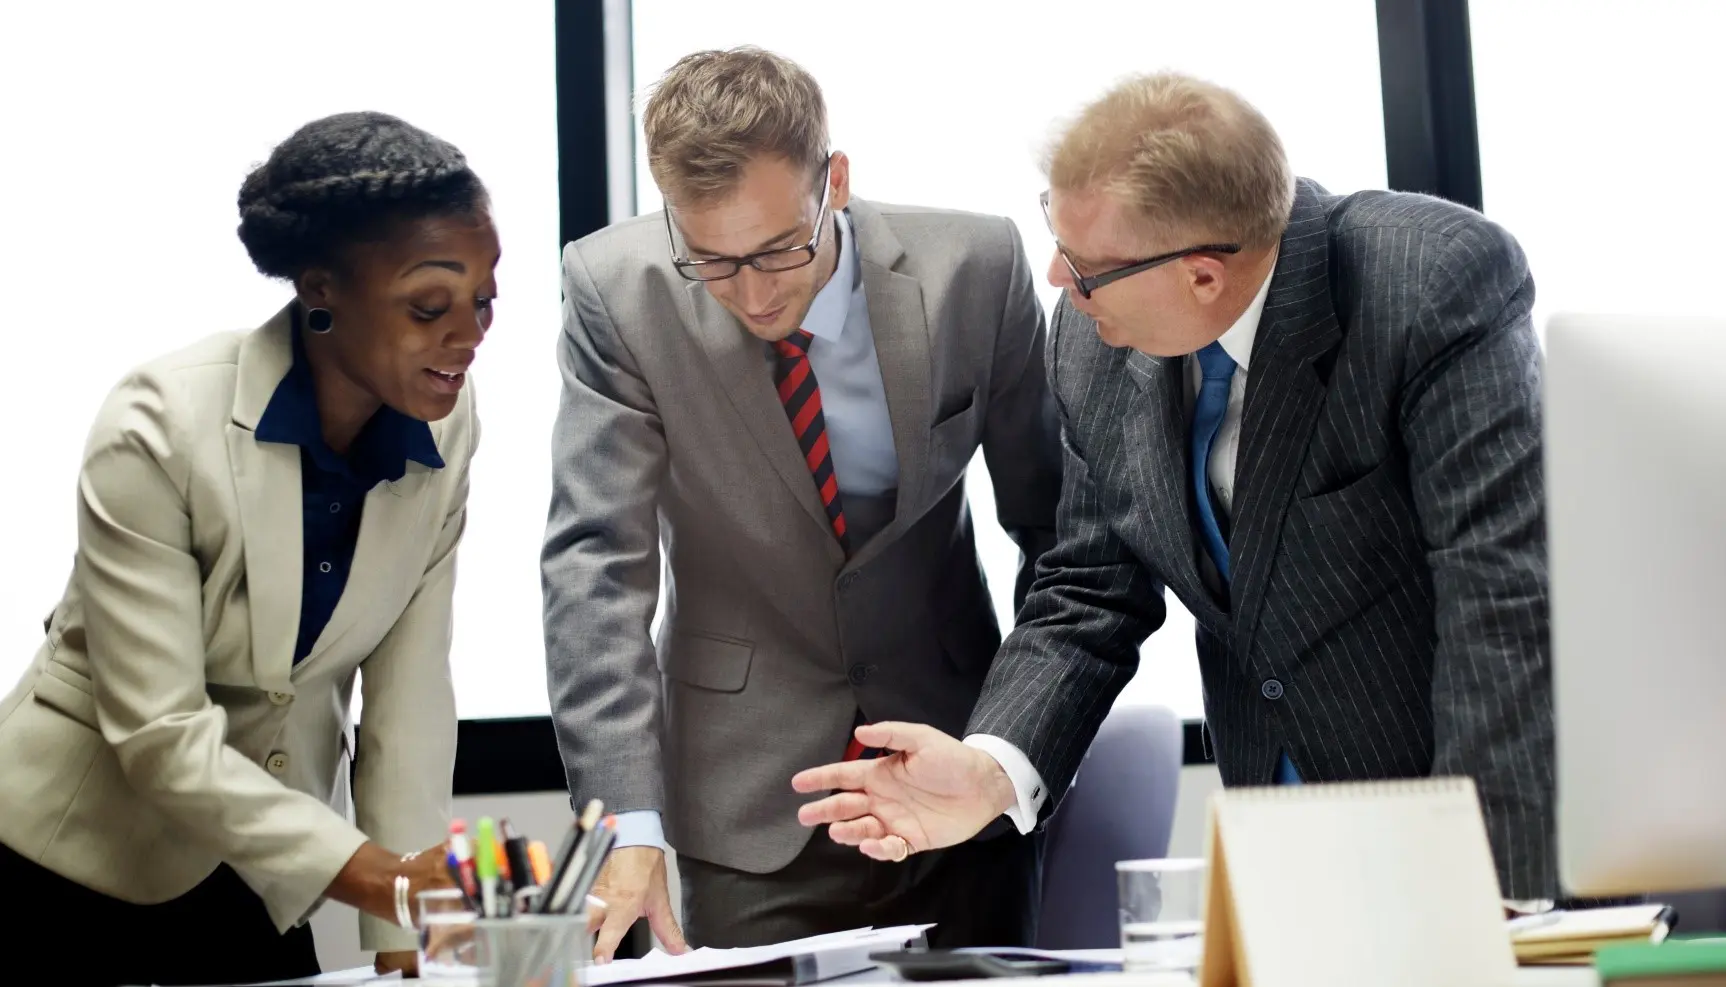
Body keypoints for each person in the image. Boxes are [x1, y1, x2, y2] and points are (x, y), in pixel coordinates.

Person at [794, 71, 1560, 906]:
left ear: (1202, 275)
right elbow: (1088, 590)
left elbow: (1502, 598)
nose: (1055, 277)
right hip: (1284, 843)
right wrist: (990, 768)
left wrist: (1499, 903)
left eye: (1085, 265)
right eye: (1056, 229)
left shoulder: (1429, 282)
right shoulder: (1095, 340)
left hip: (1467, 821)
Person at [543, 47, 1062, 957]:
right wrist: (630, 826)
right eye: (712, 260)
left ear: (838, 182)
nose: (753, 292)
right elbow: (596, 573)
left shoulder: (974, 268)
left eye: (781, 248)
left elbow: (1059, 536)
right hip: (746, 807)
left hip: (955, 781)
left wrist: (1005, 748)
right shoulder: (616, 295)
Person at [0, 111, 495, 986]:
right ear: (321, 292)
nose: (469, 334)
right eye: (429, 307)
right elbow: (160, 732)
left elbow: (409, 703)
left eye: (485, 300)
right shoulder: (156, 424)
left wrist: (410, 946)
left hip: (258, 872)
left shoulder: (446, 431)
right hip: (67, 861)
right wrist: (387, 880)